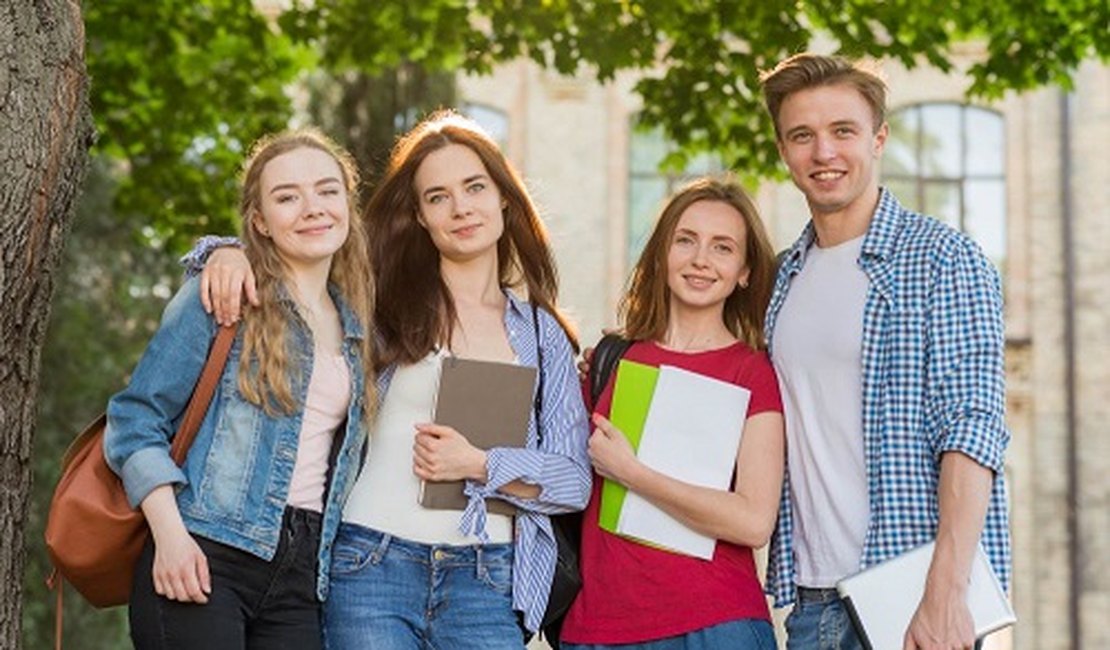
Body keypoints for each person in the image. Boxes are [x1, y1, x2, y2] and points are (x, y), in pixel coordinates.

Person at [190, 110, 592, 648]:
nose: (460, 208)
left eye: (474, 186)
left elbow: (573, 482)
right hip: (369, 564)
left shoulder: (543, 337)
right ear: (420, 217)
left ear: (503, 198)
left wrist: (480, 464)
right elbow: (290, 261)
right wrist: (223, 252)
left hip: (488, 578)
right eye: (437, 196)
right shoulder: (376, 305)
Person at [758, 53, 1011, 650]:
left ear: (878, 139)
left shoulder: (945, 260)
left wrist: (944, 597)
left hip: (916, 599)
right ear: (783, 151)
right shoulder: (778, 282)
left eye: (842, 131)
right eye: (802, 136)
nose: (823, 153)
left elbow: (972, 429)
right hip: (813, 603)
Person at [104, 129, 377, 649]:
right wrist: (171, 537)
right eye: (287, 197)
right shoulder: (223, 296)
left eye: (326, 190)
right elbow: (135, 420)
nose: (312, 208)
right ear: (260, 222)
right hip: (204, 552)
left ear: (347, 202)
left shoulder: (357, 324)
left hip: (303, 574)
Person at [558, 177, 785, 650]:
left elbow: (753, 521)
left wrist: (632, 473)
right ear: (662, 253)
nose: (701, 259)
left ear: (744, 271)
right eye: (686, 240)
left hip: (715, 625)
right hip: (600, 627)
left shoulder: (754, 372)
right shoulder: (608, 363)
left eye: (723, 248)